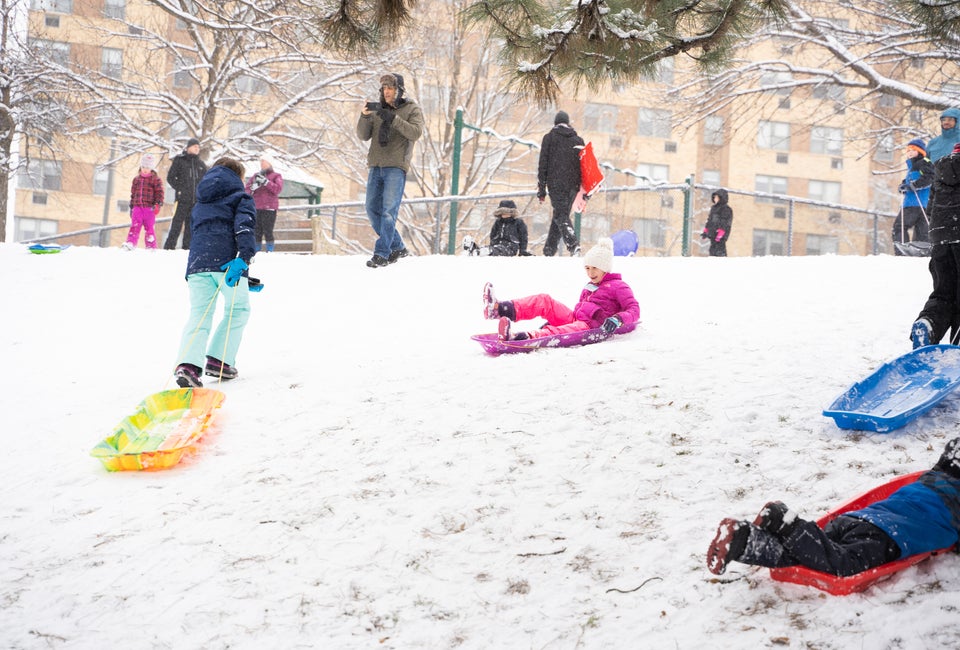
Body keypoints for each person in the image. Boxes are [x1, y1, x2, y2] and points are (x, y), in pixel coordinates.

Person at [707, 437, 960, 577]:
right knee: (842, 564)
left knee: (806, 558)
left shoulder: (928, 479)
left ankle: (744, 541)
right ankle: (784, 522)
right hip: (890, 534)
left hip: (857, 518)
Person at [173, 157, 257, 388]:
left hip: (197, 265)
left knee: (200, 313)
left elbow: (198, 234)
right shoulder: (241, 198)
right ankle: (220, 361)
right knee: (238, 308)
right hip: (228, 264)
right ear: (238, 177)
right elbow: (245, 228)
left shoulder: (200, 203)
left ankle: (187, 366)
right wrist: (244, 259)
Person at [483, 238, 640, 341]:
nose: (590, 273)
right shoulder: (590, 286)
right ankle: (498, 309)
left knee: (563, 330)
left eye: (595, 268)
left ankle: (522, 338)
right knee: (544, 300)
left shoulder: (619, 286)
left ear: (605, 268)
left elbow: (634, 309)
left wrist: (618, 319)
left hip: (591, 327)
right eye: (587, 268)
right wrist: (554, 319)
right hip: (576, 318)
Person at [357, 72, 424, 268]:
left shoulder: (412, 109)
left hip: (395, 166)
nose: (386, 92)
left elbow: (415, 132)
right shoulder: (378, 108)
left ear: (399, 90)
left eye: (391, 88)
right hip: (376, 166)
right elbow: (363, 135)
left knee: (388, 212)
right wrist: (365, 115)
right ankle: (398, 246)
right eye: (384, 88)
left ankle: (382, 254)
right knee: (371, 209)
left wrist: (393, 118)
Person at [910, 142, 960, 348]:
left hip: (940, 239)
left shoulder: (940, 170)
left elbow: (930, 209)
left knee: (943, 293)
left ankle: (928, 323)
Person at [537, 111, 584, 257]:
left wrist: (542, 190)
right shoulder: (578, 140)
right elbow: (584, 167)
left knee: (561, 216)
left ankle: (573, 245)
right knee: (560, 214)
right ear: (568, 123)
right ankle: (549, 250)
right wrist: (584, 191)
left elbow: (542, 165)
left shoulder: (549, 138)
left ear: (555, 123)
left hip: (556, 184)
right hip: (573, 186)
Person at [164, 137, 208, 250]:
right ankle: (169, 247)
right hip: (182, 199)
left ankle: (187, 249)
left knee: (190, 226)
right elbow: (170, 177)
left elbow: (206, 180)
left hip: (195, 201)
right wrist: (180, 188)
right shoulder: (180, 160)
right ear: (188, 147)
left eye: (198, 147)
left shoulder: (201, 164)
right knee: (176, 224)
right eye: (195, 146)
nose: (197, 149)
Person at [893, 138, 934, 254]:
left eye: (913, 149)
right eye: (908, 150)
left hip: (914, 203)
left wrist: (914, 186)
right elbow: (911, 180)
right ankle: (921, 250)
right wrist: (903, 186)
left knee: (899, 226)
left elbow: (929, 177)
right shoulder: (913, 166)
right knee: (922, 230)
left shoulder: (923, 162)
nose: (909, 152)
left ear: (920, 151)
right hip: (922, 204)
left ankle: (901, 249)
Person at [122, 153, 164, 251]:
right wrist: (132, 206)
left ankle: (150, 246)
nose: (145, 169)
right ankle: (131, 243)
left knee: (149, 228)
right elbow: (133, 194)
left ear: (152, 168)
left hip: (149, 208)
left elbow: (160, 193)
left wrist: (158, 204)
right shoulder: (136, 179)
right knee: (135, 226)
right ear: (141, 166)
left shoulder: (155, 179)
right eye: (144, 166)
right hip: (137, 207)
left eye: (148, 167)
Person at [245, 154, 284, 252]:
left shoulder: (276, 176)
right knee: (256, 231)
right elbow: (247, 190)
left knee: (268, 231)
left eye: (264, 161)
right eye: (261, 161)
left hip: (269, 208)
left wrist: (267, 182)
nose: (261, 163)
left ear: (270, 163)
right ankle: (256, 251)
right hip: (257, 207)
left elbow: (277, 189)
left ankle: (269, 250)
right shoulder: (255, 176)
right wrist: (254, 186)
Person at [463, 200, 531, 257]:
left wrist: (522, 251)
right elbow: (493, 235)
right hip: (496, 245)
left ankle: (482, 252)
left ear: (512, 213)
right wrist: (493, 243)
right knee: (492, 248)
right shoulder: (498, 222)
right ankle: (473, 248)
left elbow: (523, 237)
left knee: (497, 250)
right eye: (502, 213)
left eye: (507, 213)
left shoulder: (518, 222)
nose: (504, 215)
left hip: (510, 247)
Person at [700, 189, 733, 257]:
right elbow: (710, 220)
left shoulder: (726, 209)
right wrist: (706, 230)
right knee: (712, 251)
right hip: (713, 234)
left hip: (720, 235)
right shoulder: (714, 208)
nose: (714, 198)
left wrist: (721, 232)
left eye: (716, 197)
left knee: (720, 251)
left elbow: (726, 222)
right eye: (714, 197)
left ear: (721, 198)